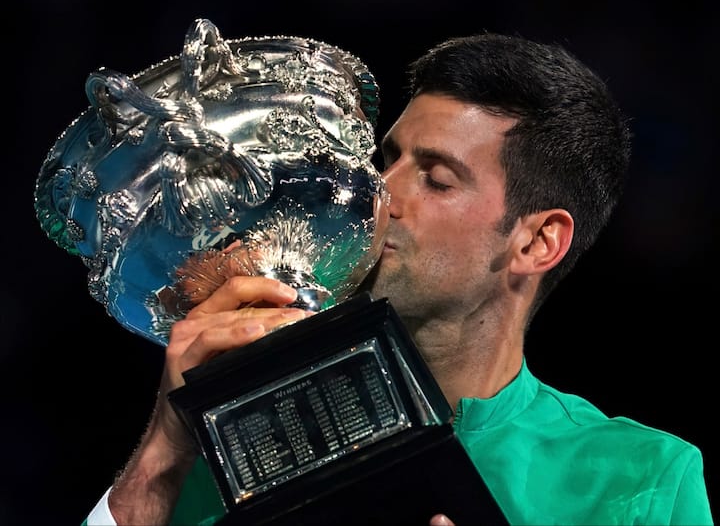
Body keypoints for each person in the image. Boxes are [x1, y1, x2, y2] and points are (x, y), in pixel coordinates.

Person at [83, 33, 714, 525]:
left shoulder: (641, 480)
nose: (380, 192)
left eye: (436, 178)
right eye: (387, 159)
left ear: (536, 241)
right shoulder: (235, 441)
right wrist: (165, 452)